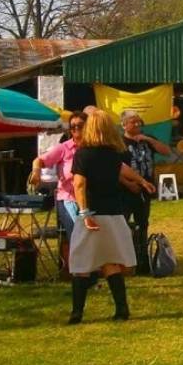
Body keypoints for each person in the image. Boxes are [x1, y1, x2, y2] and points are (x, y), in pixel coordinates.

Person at [69, 111, 155, 324]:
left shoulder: (83, 154)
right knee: (111, 262)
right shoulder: (114, 154)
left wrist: (84, 212)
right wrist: (142, 181)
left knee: (81, 265)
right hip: (114, 215)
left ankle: (77, 313)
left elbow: (79, 184)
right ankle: (121, 309)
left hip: (92, 214)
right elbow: (123, 169)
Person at [29, 112, 87, 271]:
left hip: (90, 199)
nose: (76, 129)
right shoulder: (64, 148)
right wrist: (36, 172)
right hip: (69, 198)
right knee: (78, 235)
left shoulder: (94, 147)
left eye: (80, 126)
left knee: (90, 236)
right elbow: (39, 160)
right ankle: (80, 273)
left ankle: (89, 272)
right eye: (72, 126)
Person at [120, 110, 172, 272]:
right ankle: (125, 260)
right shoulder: (119, 142)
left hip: (145, 189)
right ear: (124, 125)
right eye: (133, 122)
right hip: (126, 190)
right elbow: (116, 168)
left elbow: (166, 151)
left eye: (139, 122)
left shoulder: (147, 139)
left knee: (142, 224)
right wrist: (129, 183)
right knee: (123, 224)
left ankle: (142, 261)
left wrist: (149, 139)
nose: (137, 125)